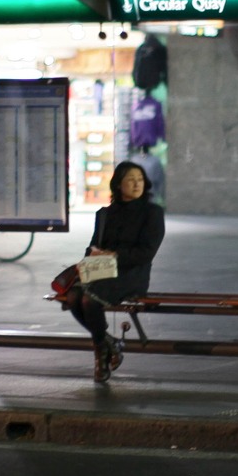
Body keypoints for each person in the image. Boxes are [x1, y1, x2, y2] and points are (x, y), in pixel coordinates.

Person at [68, 160, 166, 382]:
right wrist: (94, 254)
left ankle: (100, 354)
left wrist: (115, 256)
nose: (136, 184)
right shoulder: (105, 213)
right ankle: (109, 343)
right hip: (102, 271)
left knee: (88, 301)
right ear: (118, 185)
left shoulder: (152, 213)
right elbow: (92, 246)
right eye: (130, 180)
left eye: (140, 179)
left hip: (132, 275)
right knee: (73, 296)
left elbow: (146, 253)